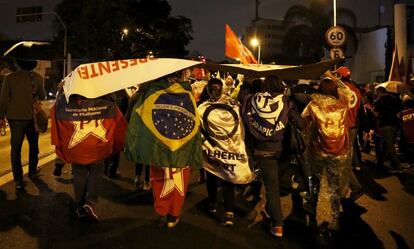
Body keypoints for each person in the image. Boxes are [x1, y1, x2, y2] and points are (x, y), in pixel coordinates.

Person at [240, 76, 291, 237]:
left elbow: (242, 99)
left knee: (271, 189)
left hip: (263, 150)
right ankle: (272, 210)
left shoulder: (254, 99)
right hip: (281, 149)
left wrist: (247, 83)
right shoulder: (285, 100)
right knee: (274, 183)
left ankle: (277, 224)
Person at [198, 78, 253, 227]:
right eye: (212, 89)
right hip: (226, 148)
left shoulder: (204, 107)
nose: (215, 92)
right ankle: (225, 209)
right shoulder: (232, 104)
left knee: (215, 175)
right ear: (208, 90)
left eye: (217, 89)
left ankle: (216, 205)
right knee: (223, 176)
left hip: (218, 148)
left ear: (221, 89)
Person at [302, 76, 353, 231]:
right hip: (339, 150)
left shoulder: (313, 105)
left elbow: (304, 122)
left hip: (318, 150)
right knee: (334, 185)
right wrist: (335, 78)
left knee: (315, 179)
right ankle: (335, 218)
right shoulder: (342, 104)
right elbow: (348, 92)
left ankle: (312, 205)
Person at [0, 59, 45, 190]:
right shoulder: (37, 77)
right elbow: (42, 96)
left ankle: (18, 180)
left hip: (14, 119)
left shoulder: (10, 78)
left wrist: (1, 117)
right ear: (33, 64)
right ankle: (32, 170)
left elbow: (3, 99)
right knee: (33, 146)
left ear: (18, 64)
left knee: (16, 149)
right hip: (32, 118)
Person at [334, 67, 364, 201]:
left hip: (342, 126)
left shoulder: (339, 90)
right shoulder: (357, 91)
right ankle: (343, 190)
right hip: (352, 126)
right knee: (343, 158)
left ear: (340, 76)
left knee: (340, 160)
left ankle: (354, 187)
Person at [373, 86, 403, 173]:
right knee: (389, 144)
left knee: (390, 146)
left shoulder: (379, 101)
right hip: (395, 124)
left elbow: (377, 114)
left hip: (385, 125)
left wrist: (371, 110)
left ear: (379, 92)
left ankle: (398, 166)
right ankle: (392, 163)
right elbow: (400, 111)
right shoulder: (394, 99)